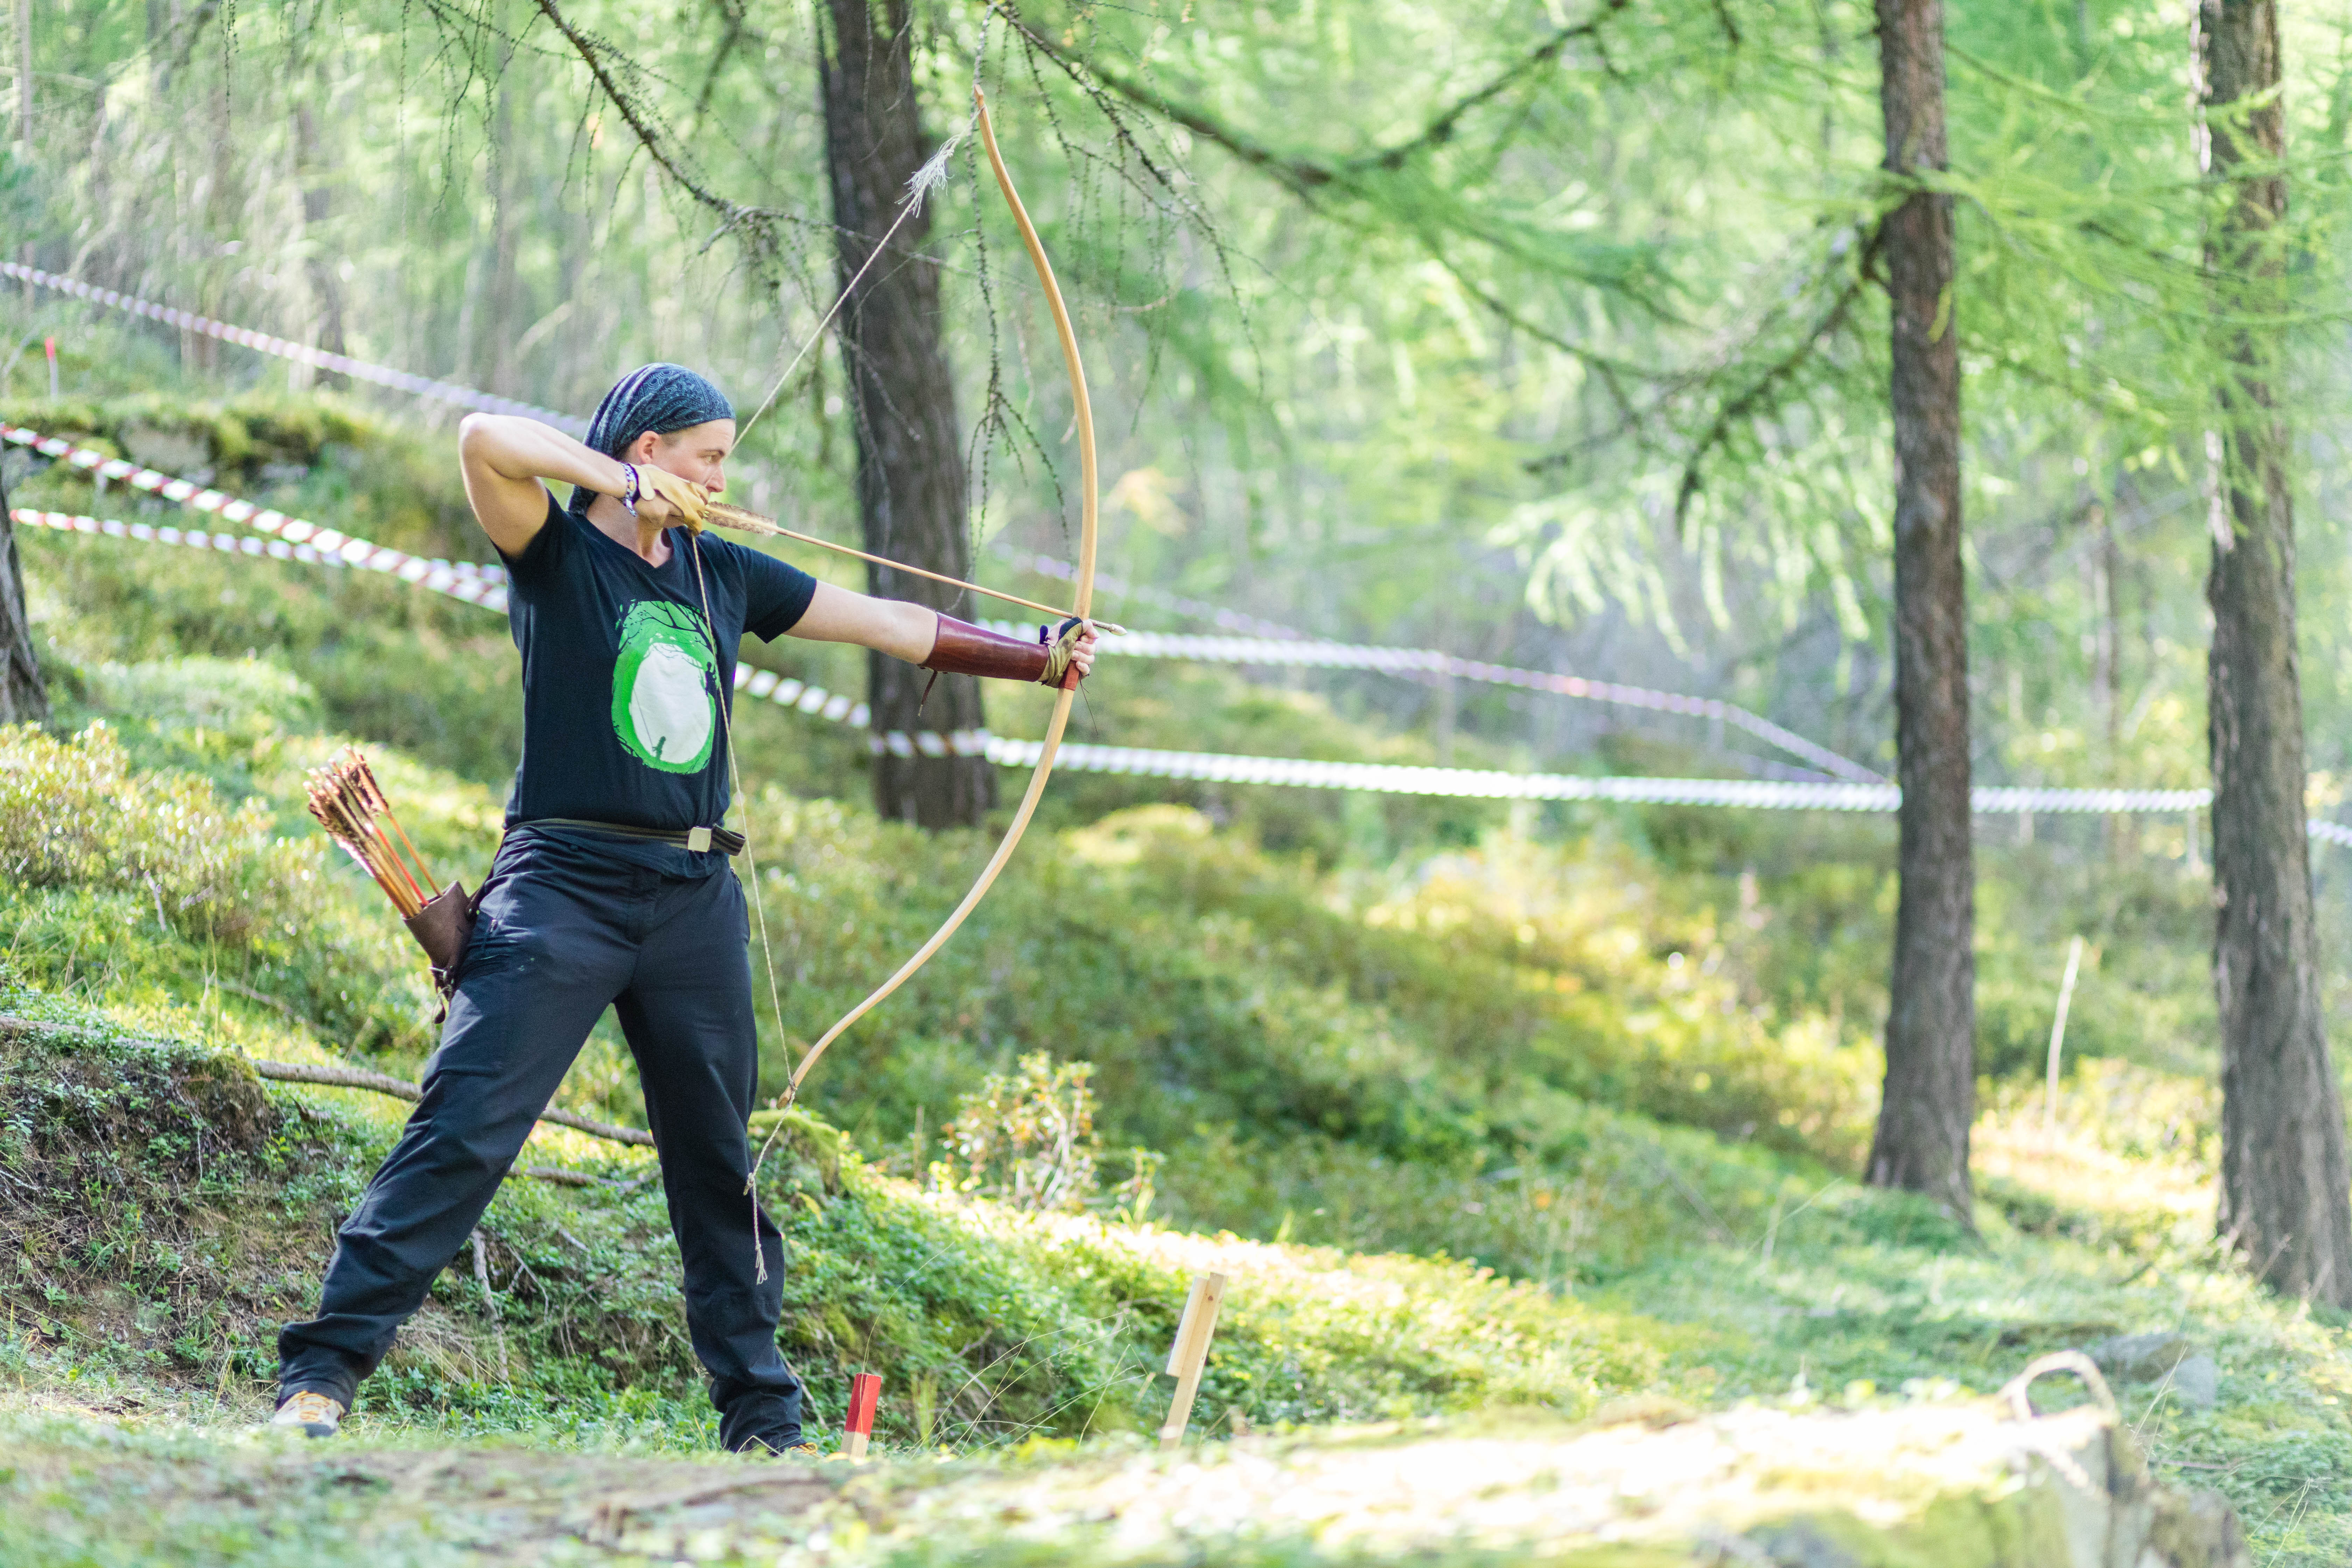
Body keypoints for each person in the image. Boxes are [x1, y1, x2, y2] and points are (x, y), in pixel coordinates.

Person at [270, 364, 1095, 1451]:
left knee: (718, 1164)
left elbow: (891, 624)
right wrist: (611, 480)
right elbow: (482, 436)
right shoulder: (554, 550)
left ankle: (763, 1422)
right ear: (649, 454)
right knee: (465, 1130)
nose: (722, 475)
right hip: (562, 886)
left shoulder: (725, 574)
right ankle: (321, 1377)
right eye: (708, 455)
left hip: (694, 897)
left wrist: (1036, 660)